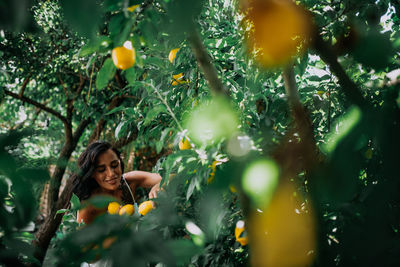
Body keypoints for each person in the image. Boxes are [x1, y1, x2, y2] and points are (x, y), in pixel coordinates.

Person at [73, 141, 161, 224]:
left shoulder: (129, 182)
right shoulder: (89, 206)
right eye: (101, 169)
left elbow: (170, 175)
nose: (111, 174)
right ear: (92, 173)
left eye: (114, 165)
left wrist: (160, 184)